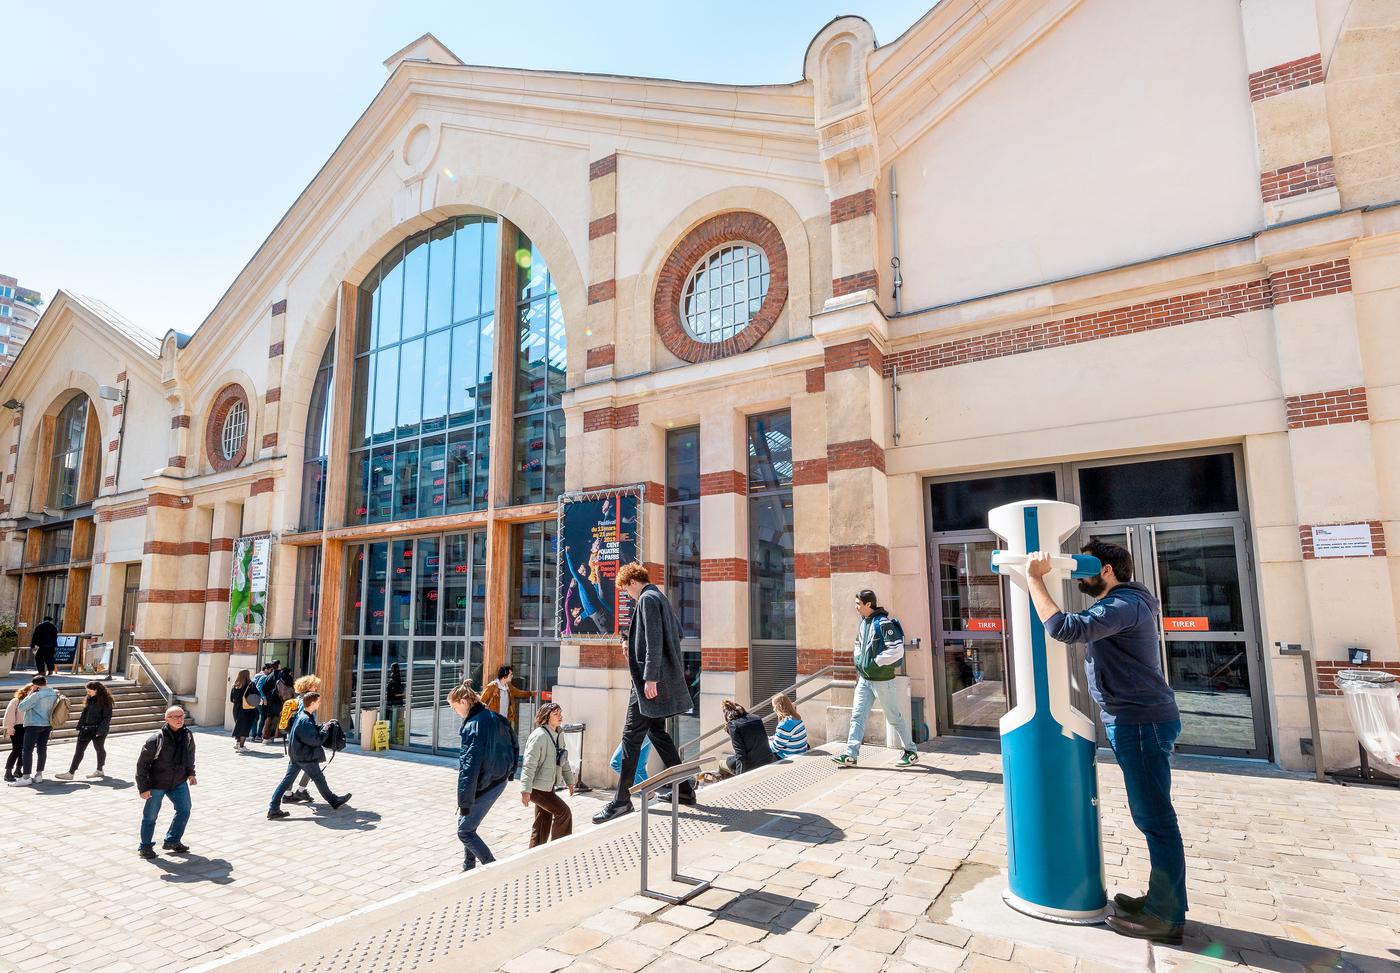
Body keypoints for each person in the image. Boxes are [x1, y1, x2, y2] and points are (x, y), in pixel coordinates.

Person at [1027, 540, 1185, 944]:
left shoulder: (1122, 605)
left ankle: (1166, 917)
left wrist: (1033, 579)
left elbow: (1064, 628)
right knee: (1152, 816)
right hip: (1138, 720)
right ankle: (1162, 900)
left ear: (1109, 571)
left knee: (1155, 820)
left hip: (1140, 722)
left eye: (1086, 568)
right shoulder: (1129, 602)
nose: (1081, 576)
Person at [592, 563, 695, 824]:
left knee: (630, 738)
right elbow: (675, 635)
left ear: (632, 582)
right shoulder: (660, 598)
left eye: (625, 590)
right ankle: (684, 791)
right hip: (657, 683)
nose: (627, 595)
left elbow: (654, 641)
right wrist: (633, 644)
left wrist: (650, 676)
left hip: (646, 686)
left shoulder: (647, 599)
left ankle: (621, 802)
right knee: (659, 735)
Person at [832, 590, 919, 769]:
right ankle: (851, 755)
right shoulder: (864, 623)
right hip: (864, 680)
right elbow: (858, 643)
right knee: (857, 716)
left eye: (858, 604)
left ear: (868, 605)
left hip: (882, 681)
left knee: (894, 717)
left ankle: (910, 751)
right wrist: (858, 659)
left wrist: (874, 663)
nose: (856, 607)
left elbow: (897, 650)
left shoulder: (884, 623)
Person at [450, 682, 518, 871]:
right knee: (465, 824)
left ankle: (491, 866)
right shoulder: (496, 717)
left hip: (487, 783)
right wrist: (511, 771)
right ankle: (468, 866)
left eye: (455, 708)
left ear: (463, 701)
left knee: (464, 831)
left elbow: (468, 769)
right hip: (498, 778)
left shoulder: (472, 726)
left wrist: (464, 803)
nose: (455, 712)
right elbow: (514, 743)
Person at [267, 692, 351, 819]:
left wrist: (324, 725)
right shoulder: (305, 720)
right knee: (319, 778)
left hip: (296, 755)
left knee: (287, 781)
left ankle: (273, 808)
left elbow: (311, 731)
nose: (319, 703)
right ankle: (334, 801)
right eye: (318, 702)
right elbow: (315, 740)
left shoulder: (302, 715)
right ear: (312, 703)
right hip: (305, 756)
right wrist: (325, 730)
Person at [135, 706, 197, 859]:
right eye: (174, 716)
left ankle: (172, 840)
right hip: (156, 783)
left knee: (185, 809)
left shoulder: (187, 735)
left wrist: (191, 773)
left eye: (181, 716)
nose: (179, 719)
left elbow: (190, 756)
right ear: (166, 719)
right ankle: (145, 846)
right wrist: (143, 788)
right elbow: (142, 765)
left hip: (178, 782)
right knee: (150, 816)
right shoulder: (156, 739)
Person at [519, 702, 576, 848]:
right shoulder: (538, 737)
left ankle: (534, 853)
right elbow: (529, 765)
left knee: (543, 820)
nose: (560, 716)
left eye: (560, 713)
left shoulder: (559, 734)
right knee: (563, 813)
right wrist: (525, 790)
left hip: (548, 786)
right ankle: (559, 849)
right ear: (546, 717)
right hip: (537, 788)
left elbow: (563, 759)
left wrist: (570, 781)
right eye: (556, 714)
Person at [57, 681, 113, 780]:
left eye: (89, 691)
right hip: (86, 729)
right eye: (87, 691)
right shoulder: (90, 699)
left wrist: (100, 731)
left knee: (99, 749)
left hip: (98, 730)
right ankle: (70, 773)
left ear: (96, 690)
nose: (87, 693)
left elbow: (106, 718)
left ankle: (100, 770)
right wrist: (79, 726)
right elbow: (84, 714)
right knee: (79, 751)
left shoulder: (106, 701)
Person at [281, 675, 323, 804]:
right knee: (312, 763)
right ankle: (300, 790)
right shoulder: (304, 702)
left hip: (295, 737)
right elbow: (303, 721)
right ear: (308, 687)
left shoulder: (299, 699)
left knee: (294, 766)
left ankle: (289, 793)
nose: (316, 687)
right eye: (314, 685)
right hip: (302, 739)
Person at [10, 675, 59, 785]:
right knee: (42, 749)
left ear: (35, 685)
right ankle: (39, 775)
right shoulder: (54, 693)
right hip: (47, 725)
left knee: (27, 750)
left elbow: (21, 707)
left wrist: (30, 693)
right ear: (46, 682)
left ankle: (26, 777)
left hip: (34, 725)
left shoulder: (36, 695)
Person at [720, 700, 777, 777]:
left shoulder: (733, 725)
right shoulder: (756, 718)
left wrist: (739, 777)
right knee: (731, 759)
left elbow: (740, 753)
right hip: (767, 758)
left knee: (722, 763)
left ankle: (722, 780)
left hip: (752, 764)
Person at [3, 685, 33, 782]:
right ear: (25, 690)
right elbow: (8, 716)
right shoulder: (16, 701)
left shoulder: (33, 701)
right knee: (16, 750)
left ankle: (18, 770)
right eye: (31, 690)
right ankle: (8, 772)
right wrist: (9, 729)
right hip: (17, 728)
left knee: (25, 751)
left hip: (28, 727)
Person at [769, 694, 810, 759]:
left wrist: (768, 742)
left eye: (774, 706)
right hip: (801, 751)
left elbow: (775, 748)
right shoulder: (797, 718)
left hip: (790, 756)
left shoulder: (785, 724)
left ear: (779, 707)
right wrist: (774, 738)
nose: (774, 709)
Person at [230, 669, 259, 751]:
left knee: (239, 726)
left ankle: (238, 744)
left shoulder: (235, 685)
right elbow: (257, 695)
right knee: (245, 728)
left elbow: (231, 699)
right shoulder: (251, 685)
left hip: (236, 709)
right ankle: (241, 747)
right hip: (247, 710)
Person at [253, 663, 278, 744]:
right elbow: (259, 687)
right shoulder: (264, 676)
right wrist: (264, 698)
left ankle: (253, 735)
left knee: (255, 718)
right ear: (266, 669)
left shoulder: (257, 675)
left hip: (254, 700)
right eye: (271, 669)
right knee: (263, 717)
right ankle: (259, 735)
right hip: (260, 700)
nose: (271, 671)